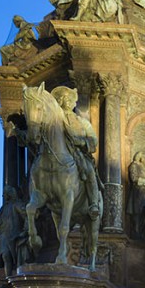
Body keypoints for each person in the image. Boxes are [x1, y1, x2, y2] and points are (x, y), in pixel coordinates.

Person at [50, 86, 102, 221]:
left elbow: (93, 141)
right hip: (56, 155)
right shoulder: (52, 122)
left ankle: (93, 204)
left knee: (90, 172)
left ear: (73, 102)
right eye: (63, 98)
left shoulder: (82, 122)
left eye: (69, 99)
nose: (66, 101)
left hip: (79, 154)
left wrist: (82, 142)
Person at [0, 185, 27, 274]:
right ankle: (8, 278)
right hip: (3, 236)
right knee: (5, 256)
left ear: (10, 194)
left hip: (13, 235)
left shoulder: (16, 204)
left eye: (4, 193)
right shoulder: (3, 208)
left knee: (9, 256)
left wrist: (26, 229)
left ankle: (13, 276)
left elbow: (25, 214)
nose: (3, 196)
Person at [127, 152, 145, 241]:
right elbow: (134, 178)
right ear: (140, 157)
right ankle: (136, 232)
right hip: (139, 192)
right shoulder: (134, 165)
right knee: (138, 212)